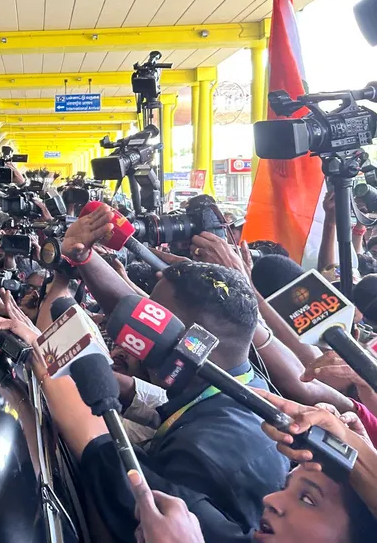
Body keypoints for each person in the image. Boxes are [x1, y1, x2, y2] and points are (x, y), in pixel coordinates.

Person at [47, 204, 288, 540]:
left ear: (196, 344)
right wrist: (81, 257)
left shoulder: (201, 456)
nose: (142, 327)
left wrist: (49, 355)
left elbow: (122, 496)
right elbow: (138, 315)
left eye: (154, 322)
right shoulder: (242, 385)